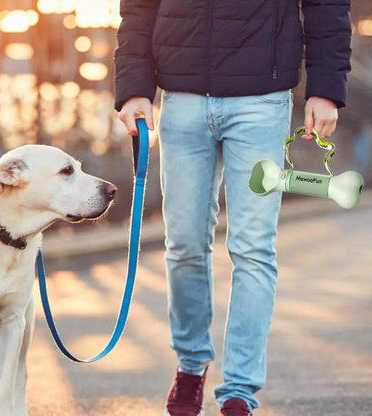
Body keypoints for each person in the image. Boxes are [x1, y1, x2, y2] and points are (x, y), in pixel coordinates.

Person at [114, 0, 351, 415]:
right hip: (182, 100)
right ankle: (190, 365)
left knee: (253, 248)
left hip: (262, 102)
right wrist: (134, 87)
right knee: (184, 243)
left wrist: (325, 87)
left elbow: (326, 5)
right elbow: (137, 7)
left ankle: (239, 390)